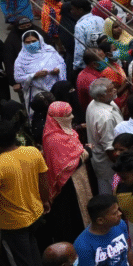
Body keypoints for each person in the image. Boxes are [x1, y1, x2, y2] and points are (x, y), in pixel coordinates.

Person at [0, 121, 48, 266]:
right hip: (35, 213)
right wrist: (46, 200)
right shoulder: (32, 152)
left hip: (13, 222)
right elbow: (44, 179)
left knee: (23, 261)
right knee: (33, 253)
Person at [42, 101, 93, 243]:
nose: (71, 117)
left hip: (79, 179)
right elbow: (67, 165)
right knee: (73, 217)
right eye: (67, 115)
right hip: (68, 185)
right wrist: (87, 152)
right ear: (58, 119)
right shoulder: (53, 138)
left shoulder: (65, 131)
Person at [13, 29, 66, 115]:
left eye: (34, 41)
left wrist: (57, 70)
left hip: (55, 89)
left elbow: (62, 64)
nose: (31, 44)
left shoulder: (50, 51)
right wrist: (34, 75)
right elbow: (18, 78)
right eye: (28, 42)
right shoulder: (21, 59)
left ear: (40, 40)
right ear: (23, 43)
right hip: (36, 93)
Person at [86, 78, 124, 195]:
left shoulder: (103, 102)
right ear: (101, 96)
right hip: (109, 167)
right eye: (111, 90)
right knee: (111, 195)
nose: (115, 90)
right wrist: (122, 167)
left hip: (106, 164)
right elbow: (110, 149)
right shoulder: (105, 117)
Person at [72, 0, 105, 72]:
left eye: (73, 9)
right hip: (103, 62)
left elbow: (79, 50)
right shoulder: (100, 19)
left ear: (80, 10)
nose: (72, 11)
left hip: (89, 66)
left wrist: (76, 67)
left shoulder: (80, 26)